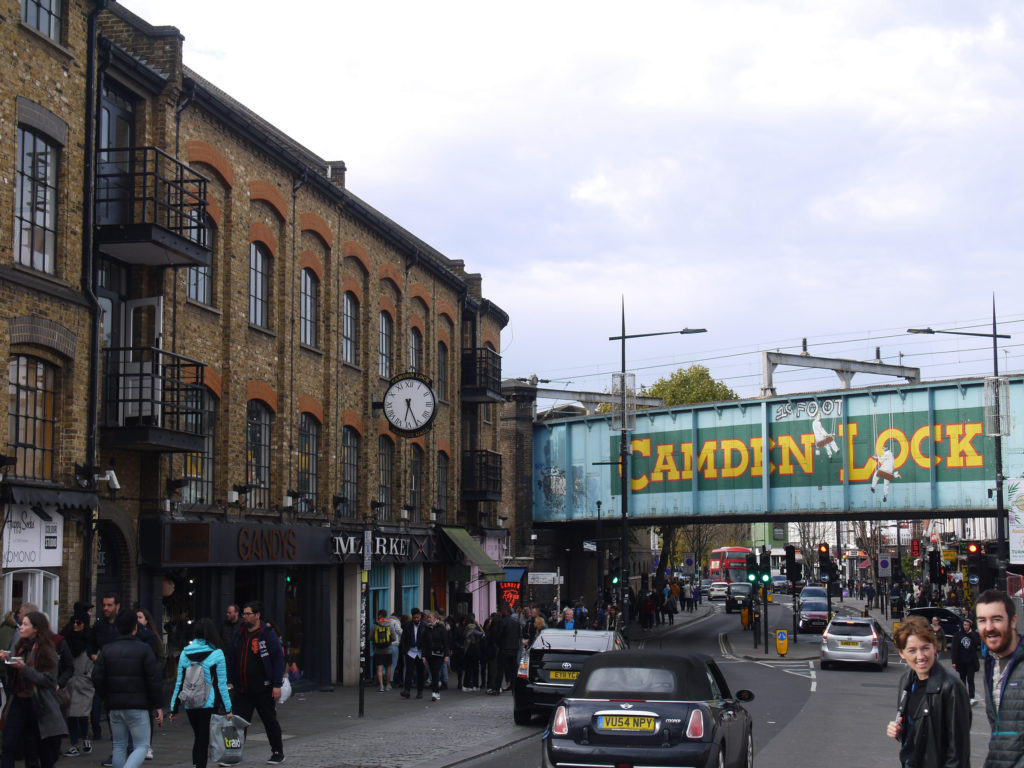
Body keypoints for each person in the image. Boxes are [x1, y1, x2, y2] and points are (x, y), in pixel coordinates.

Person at [885, 615, 970, 768]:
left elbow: (958, 753)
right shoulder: (906, 680)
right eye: (912, 650)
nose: (920, 656)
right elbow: (919, 733)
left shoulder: (951, 687)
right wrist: (899, 730)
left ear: (934, 647)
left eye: (925, 648)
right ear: (901, 653)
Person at [91, 609, 163, 768]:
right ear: (135, 628)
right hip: (138, 706)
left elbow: (96, 677)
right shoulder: (144, 649)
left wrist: (106, 696)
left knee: (118, 745)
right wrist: (158, 705)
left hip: (114, 706)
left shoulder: (106, 650)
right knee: (142, 746)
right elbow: (154, 679)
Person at [0, 611, 68, 768]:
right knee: (8, 743)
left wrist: (23, 669)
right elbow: (13, 677)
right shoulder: (20, 646)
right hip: (18, 699)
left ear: (36, 628)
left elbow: (49, 680)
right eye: (21, 623)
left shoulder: (46, 650)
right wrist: (7, 661)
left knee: (38, 749)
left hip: (38, 703)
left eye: (25, 624)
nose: (21, 627)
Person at [169, 618, 232, 768]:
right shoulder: (217, 654)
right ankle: (200, 765)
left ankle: (197, 762)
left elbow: (179, 683)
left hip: (190, 703)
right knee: (203, 738)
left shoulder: (185, 653)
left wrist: (174, 707)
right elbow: (222, 685)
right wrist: (228, 708)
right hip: (207, 703)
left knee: (198, 736)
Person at [227, 602, 285, 765]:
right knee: (237, 723)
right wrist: (230, 681)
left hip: (263, 688)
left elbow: (278, 659)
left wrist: (276, 684)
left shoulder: (267, 634)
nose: (244, 616)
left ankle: (277, 752)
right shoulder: (240, 634)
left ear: (257, 615)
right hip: (243, 688)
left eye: (247, 613)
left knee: (269, 721)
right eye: (244, 613)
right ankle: (233, 754)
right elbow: (232, 658)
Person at [976, 588, 1024, 767]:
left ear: (1013, 621)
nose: (989, 628)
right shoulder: (991, 664)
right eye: (982, 620)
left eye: (996, 619)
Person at [61, 609, 95, 756]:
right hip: (70, 682)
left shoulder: (90, 641)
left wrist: (88, 677)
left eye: (78, 622)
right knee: (71, 715)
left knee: (82, 714)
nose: (75, 625)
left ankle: (86, 738)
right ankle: (74, 744)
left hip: (83, 682)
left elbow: (95, 661)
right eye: (73, 622)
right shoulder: (67, 640)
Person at [950, 616, 982, 706]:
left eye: (968, 625)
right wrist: (954, 662)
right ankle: (964, 697)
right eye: (964, 625)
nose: (966, 627)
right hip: (961, 662)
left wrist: (971, 634)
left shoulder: (972, 635)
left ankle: (972, 697)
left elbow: (977, 643)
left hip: (971, 661)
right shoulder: (957, 635)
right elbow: (954, 649)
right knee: (962, 680)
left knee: (971, 680)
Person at [422, 612, 449, 701]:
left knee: (435, 671)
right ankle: (435, 691)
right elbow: (424, 643)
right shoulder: (427, 628)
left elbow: (445, 642)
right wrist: (424, 656)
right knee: (432, 672)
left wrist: (446, 655)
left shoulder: (441, 628)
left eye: (430, 617)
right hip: (430, 653)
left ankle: (435, 692)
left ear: (435, 618)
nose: (428, 619)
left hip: (439, 653)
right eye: (428, 617)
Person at [399, 608, 426, 699]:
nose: (416, 619)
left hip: (420, 652)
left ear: (420, 616)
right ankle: (407, 690)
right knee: (409, 672)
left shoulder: (424, 626)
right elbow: (403, 639)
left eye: (417, 617)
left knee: (420, 672)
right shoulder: (408, 626)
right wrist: (405, 651)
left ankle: (420, 691)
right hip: (410, 652)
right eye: (414, 618)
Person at [372, 609, 393, 692]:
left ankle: (381, 686)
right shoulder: (390, 625)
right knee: (388, 667)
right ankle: (388, 685)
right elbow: (394, 637)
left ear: (379, 615)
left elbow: (370, 637)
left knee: (379, 668)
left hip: (378, 650)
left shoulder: (375, 625)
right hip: (388, 650)